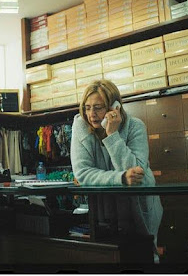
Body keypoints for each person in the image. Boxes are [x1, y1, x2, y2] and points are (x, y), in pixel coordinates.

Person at [71, 79, 163, 261]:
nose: (92, 114)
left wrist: (112, 134)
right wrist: (120, 177)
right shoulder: (80, 125)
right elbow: (82, 173)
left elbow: (136, 173)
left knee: (144, 258)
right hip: (105, 213)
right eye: (87, 107)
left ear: (115, 107)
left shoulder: (135, 126)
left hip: (138, 208)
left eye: (98, 107)